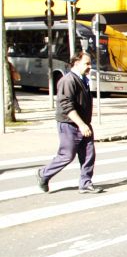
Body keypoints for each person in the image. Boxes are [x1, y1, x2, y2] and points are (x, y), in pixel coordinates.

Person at [36, 52, 103, 194]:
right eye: (87, 63)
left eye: (90, 63)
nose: (89, 67)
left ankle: (85, 183)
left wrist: (85, 123)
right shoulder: (68, 80)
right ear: (76, 63)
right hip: (70, 124)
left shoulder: (83, 79)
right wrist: (81, 124)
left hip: (83, 123)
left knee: (88, 154)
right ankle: (44, 174)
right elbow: (66, 106)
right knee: (67, 155)